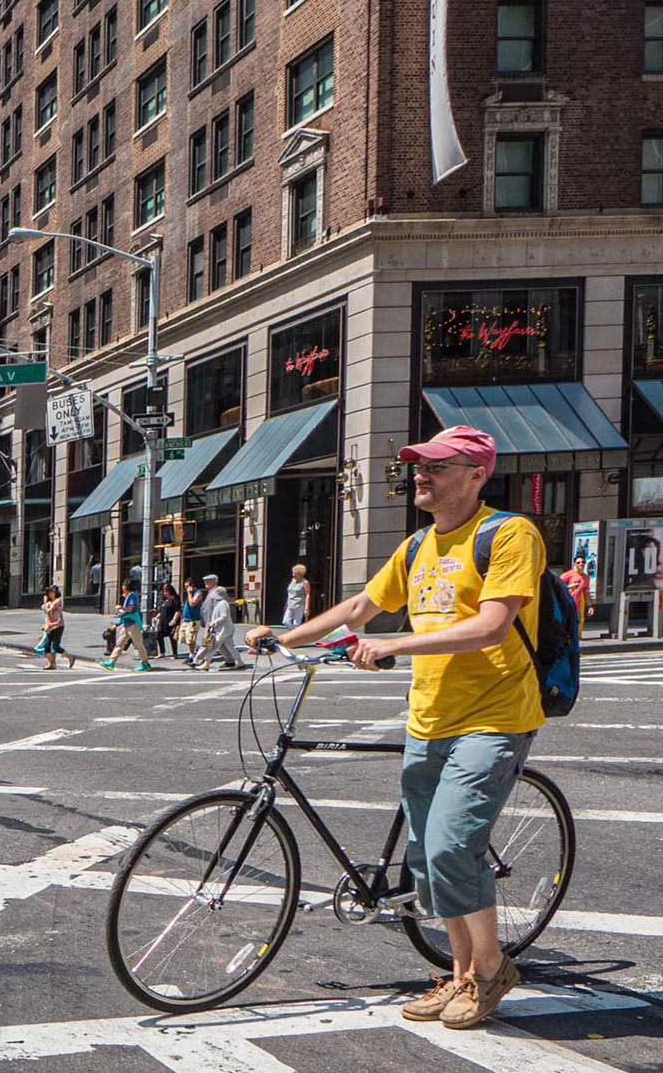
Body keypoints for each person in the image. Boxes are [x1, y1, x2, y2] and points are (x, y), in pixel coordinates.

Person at [245, 425, 541, 1030]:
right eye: (417, 465)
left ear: (477, 473)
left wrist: (394, 644)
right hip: (429, 720)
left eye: (436, 466)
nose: (420, 475)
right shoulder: (416, 547)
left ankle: (490, 971)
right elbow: (358, 610)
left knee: (453, 846)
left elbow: (491, 627)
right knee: (426, 859)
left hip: (494, 716)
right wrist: (285, 636)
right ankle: (458, 974)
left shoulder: (509, 534)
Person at [100, 584, 152, 671]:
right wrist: (117, 624)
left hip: (133, 625)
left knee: (138, 644)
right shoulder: (129, 596)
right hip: (127, 624)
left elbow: (130, 609)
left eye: (124, 587)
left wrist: (121, 608)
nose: (122, 588)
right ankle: (111, 662)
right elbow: (126, 614)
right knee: (120, 643)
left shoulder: (132, 595)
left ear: (127, 588)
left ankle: (145, 663)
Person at [199, 575, 244, 670]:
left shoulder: (222, 603)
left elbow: (223, 616)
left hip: (223, 630)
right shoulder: (221, 602)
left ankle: (206, 662)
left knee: (214, 646)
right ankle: (239, 661)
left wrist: (213, 623)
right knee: (231, 647)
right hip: (224, 629)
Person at [40, 585, 73, 669]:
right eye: (49, 592)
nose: (51, 594)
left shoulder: (57, 601)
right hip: (50, 626)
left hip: (58, 625)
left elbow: (48, 610)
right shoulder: (49, 602)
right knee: (46, 646)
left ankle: (70, 657)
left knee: (55, 646)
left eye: (52, 592)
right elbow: (47, 614)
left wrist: (44, 603)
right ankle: (51, 663)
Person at [179, 577, 205, 663]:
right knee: (181, 638)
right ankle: (197, 647)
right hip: (186, 619)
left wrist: (190, 594)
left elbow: (192, 603)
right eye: (185, 587)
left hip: (193, 620)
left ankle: (192, 656)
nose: (186, 589)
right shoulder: (188, 593)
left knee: (190, 638)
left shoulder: (198, 593)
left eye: (187, 586)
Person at [154, 583, 182, 659]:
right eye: (164, 591)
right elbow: (163, 609)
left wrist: (174, 619)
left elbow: (178, 610)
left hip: (170, 620)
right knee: (159, 635)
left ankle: (175, 654)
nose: (165, 593)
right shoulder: (164, 599)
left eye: (166, 591)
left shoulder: (174, 599)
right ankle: (162, 652)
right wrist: (159, 615)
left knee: (172, 637)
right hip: (163, 620)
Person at [560, 554, 590, 624]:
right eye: (578, 562)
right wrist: (569, 587)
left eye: (583, 562)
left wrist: (589, 606)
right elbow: (557, 586)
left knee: (576, 625)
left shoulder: (586, 577)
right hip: (566, 604)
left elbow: (586, 592)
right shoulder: (568, 574)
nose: (581, 564)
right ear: (574, 564)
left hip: (577, 607)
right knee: (565, 624)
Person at [282, 563, 312, 628]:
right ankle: (293, 633)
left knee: (296, 623)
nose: (293, 574)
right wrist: (286, 604)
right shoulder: (292, 581)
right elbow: (289, 593)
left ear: (299, 573)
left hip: (299, 605)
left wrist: (306, 608)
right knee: (285, 621)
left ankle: (295, 635)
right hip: (290, 604)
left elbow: (307, 595)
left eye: (294, 572)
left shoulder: (305, 582)